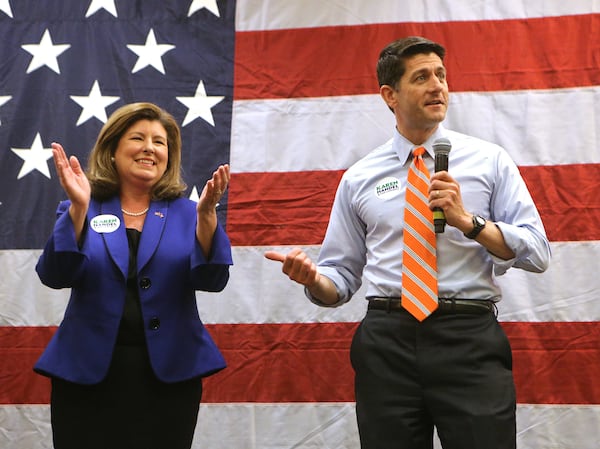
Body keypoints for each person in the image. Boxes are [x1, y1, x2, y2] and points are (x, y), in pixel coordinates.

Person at [265, 36, 550, 449]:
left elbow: (537, 252)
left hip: (467, 338)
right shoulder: (360, 177)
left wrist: (468, 222)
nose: (438, 86)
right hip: (388, 343)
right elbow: (339, 278)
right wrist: (313, 280)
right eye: (422, 77)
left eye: (441, 75)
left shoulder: (490, 161)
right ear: (389, 95)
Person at [34, 102, 232, 449]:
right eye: (138, 138)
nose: (149, 148)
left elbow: (213, 281)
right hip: (86, 376)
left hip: (168, 378)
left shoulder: (192, 213)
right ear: (112, 150)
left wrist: (207, 221)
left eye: (160, 142)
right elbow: (55, 274)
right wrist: (79, 209)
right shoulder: (80, 205)